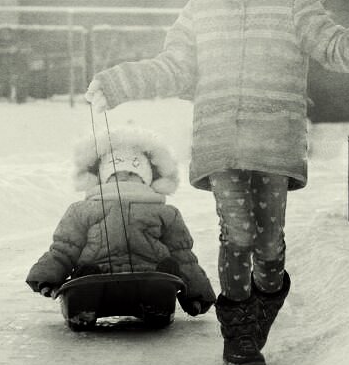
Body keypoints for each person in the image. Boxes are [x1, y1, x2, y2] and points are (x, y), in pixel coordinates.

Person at [84, 0, 349, 365]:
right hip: (219, 142)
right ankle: (239, 336)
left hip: (274, 144)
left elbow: (339, 51)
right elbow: (174, 68)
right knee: (236, 233)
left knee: (267, 245)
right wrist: (117, 84)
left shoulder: (295, 4)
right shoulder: (200, 8)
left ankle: (269, 292)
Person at [26, 127, 216, 323]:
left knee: (165, 274)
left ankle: (156, 307)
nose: (124, 178)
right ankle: (83, 308)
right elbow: (65, 248)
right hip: (96, 277)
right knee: (84, 281)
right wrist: (47, 277)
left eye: (133, 174)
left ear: (148, 179)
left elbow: (182, 256)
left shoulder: (165, 213)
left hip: (150, 276)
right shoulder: (82, 210)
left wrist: (196, 295)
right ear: (102, 178)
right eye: (115, 174)